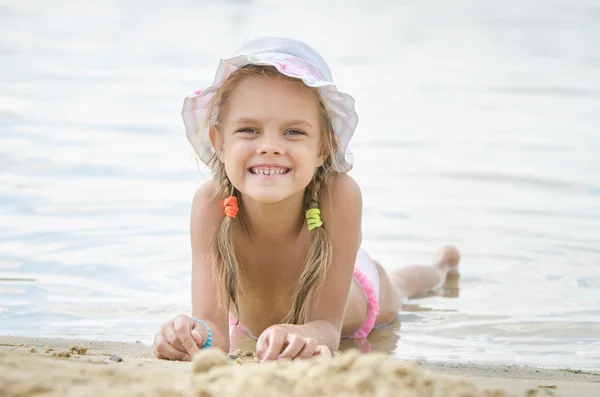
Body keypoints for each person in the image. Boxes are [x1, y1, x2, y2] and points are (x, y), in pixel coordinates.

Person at [152, 36, 460, 363]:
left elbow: (327, 328)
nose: (269, 146)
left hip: (353, 290)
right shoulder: (210, 203)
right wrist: (189, 334)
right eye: (249, 130)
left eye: (294, 132)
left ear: (323, 148)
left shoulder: (339, 194)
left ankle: (442, 265)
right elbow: (214, 328)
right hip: (274, 319)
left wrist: (305, 335)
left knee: (399, 287)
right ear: (219, 142)